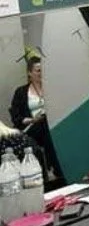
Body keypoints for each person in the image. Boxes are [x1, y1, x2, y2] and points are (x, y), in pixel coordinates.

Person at [9, 56, 63, 186]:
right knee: (45, 128)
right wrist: (33, 119)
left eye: (43, 70)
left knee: (51, 128)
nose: (41, 73)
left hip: (53, 124)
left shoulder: (51, 87)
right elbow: (17, 118)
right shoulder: (21, 92)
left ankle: (60, 170)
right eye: (38, 70)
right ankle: (57, 171)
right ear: (29, 73)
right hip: (33, 127)